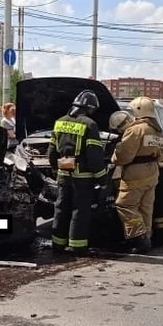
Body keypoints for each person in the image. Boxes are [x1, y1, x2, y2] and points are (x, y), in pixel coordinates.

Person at [48, 90, 108, 256]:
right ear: (89, 108)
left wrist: (55, 169)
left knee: (60, 208)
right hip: (82, 178)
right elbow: (94, 156)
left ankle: (57, 244)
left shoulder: (59, 122)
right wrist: (103, 179)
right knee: (79, 211)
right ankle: (77, 246)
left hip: (63, 174)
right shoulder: (89, 125)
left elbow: (52, 151)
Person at [111, 96, 163, 254]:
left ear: (138, 110)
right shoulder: (158, 130)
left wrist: (114, 156)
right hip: (152, 173)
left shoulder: (136, 129)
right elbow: (160, 155)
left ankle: (137, 237)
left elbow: (124, 155)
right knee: (145, 208)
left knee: (125, 205)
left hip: (135, 174)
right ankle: (146, 238)